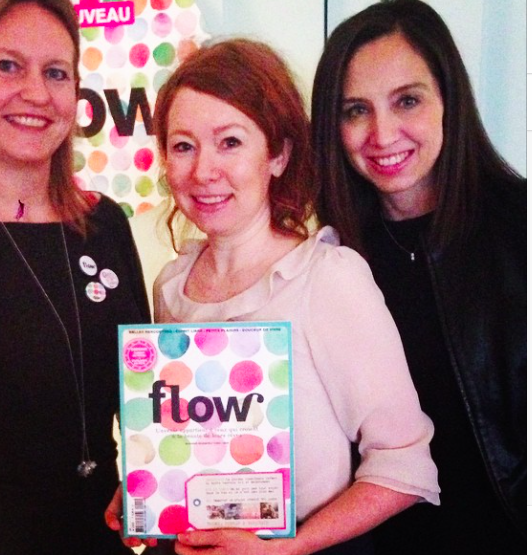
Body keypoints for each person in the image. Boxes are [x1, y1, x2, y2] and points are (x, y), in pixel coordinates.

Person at [107, 38, 440, 555]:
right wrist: (148, 493)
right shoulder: (172, 287)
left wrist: (289, 548)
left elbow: (405, 466)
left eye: (230, 142)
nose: (203, 171)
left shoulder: (326, 279)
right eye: (184, 146)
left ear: (278, 155)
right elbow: (191, 446)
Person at [0, 0, 153, 555]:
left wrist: (152, 484)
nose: (36, 93)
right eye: (7, 65)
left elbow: (145, 394)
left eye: (55, 72)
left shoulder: (104, 225)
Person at [311, 0, 525, 554]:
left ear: (450, 99)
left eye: (407, 100)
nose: (382, 134)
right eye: (355, 110)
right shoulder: (327, 260)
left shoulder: (519, 229)